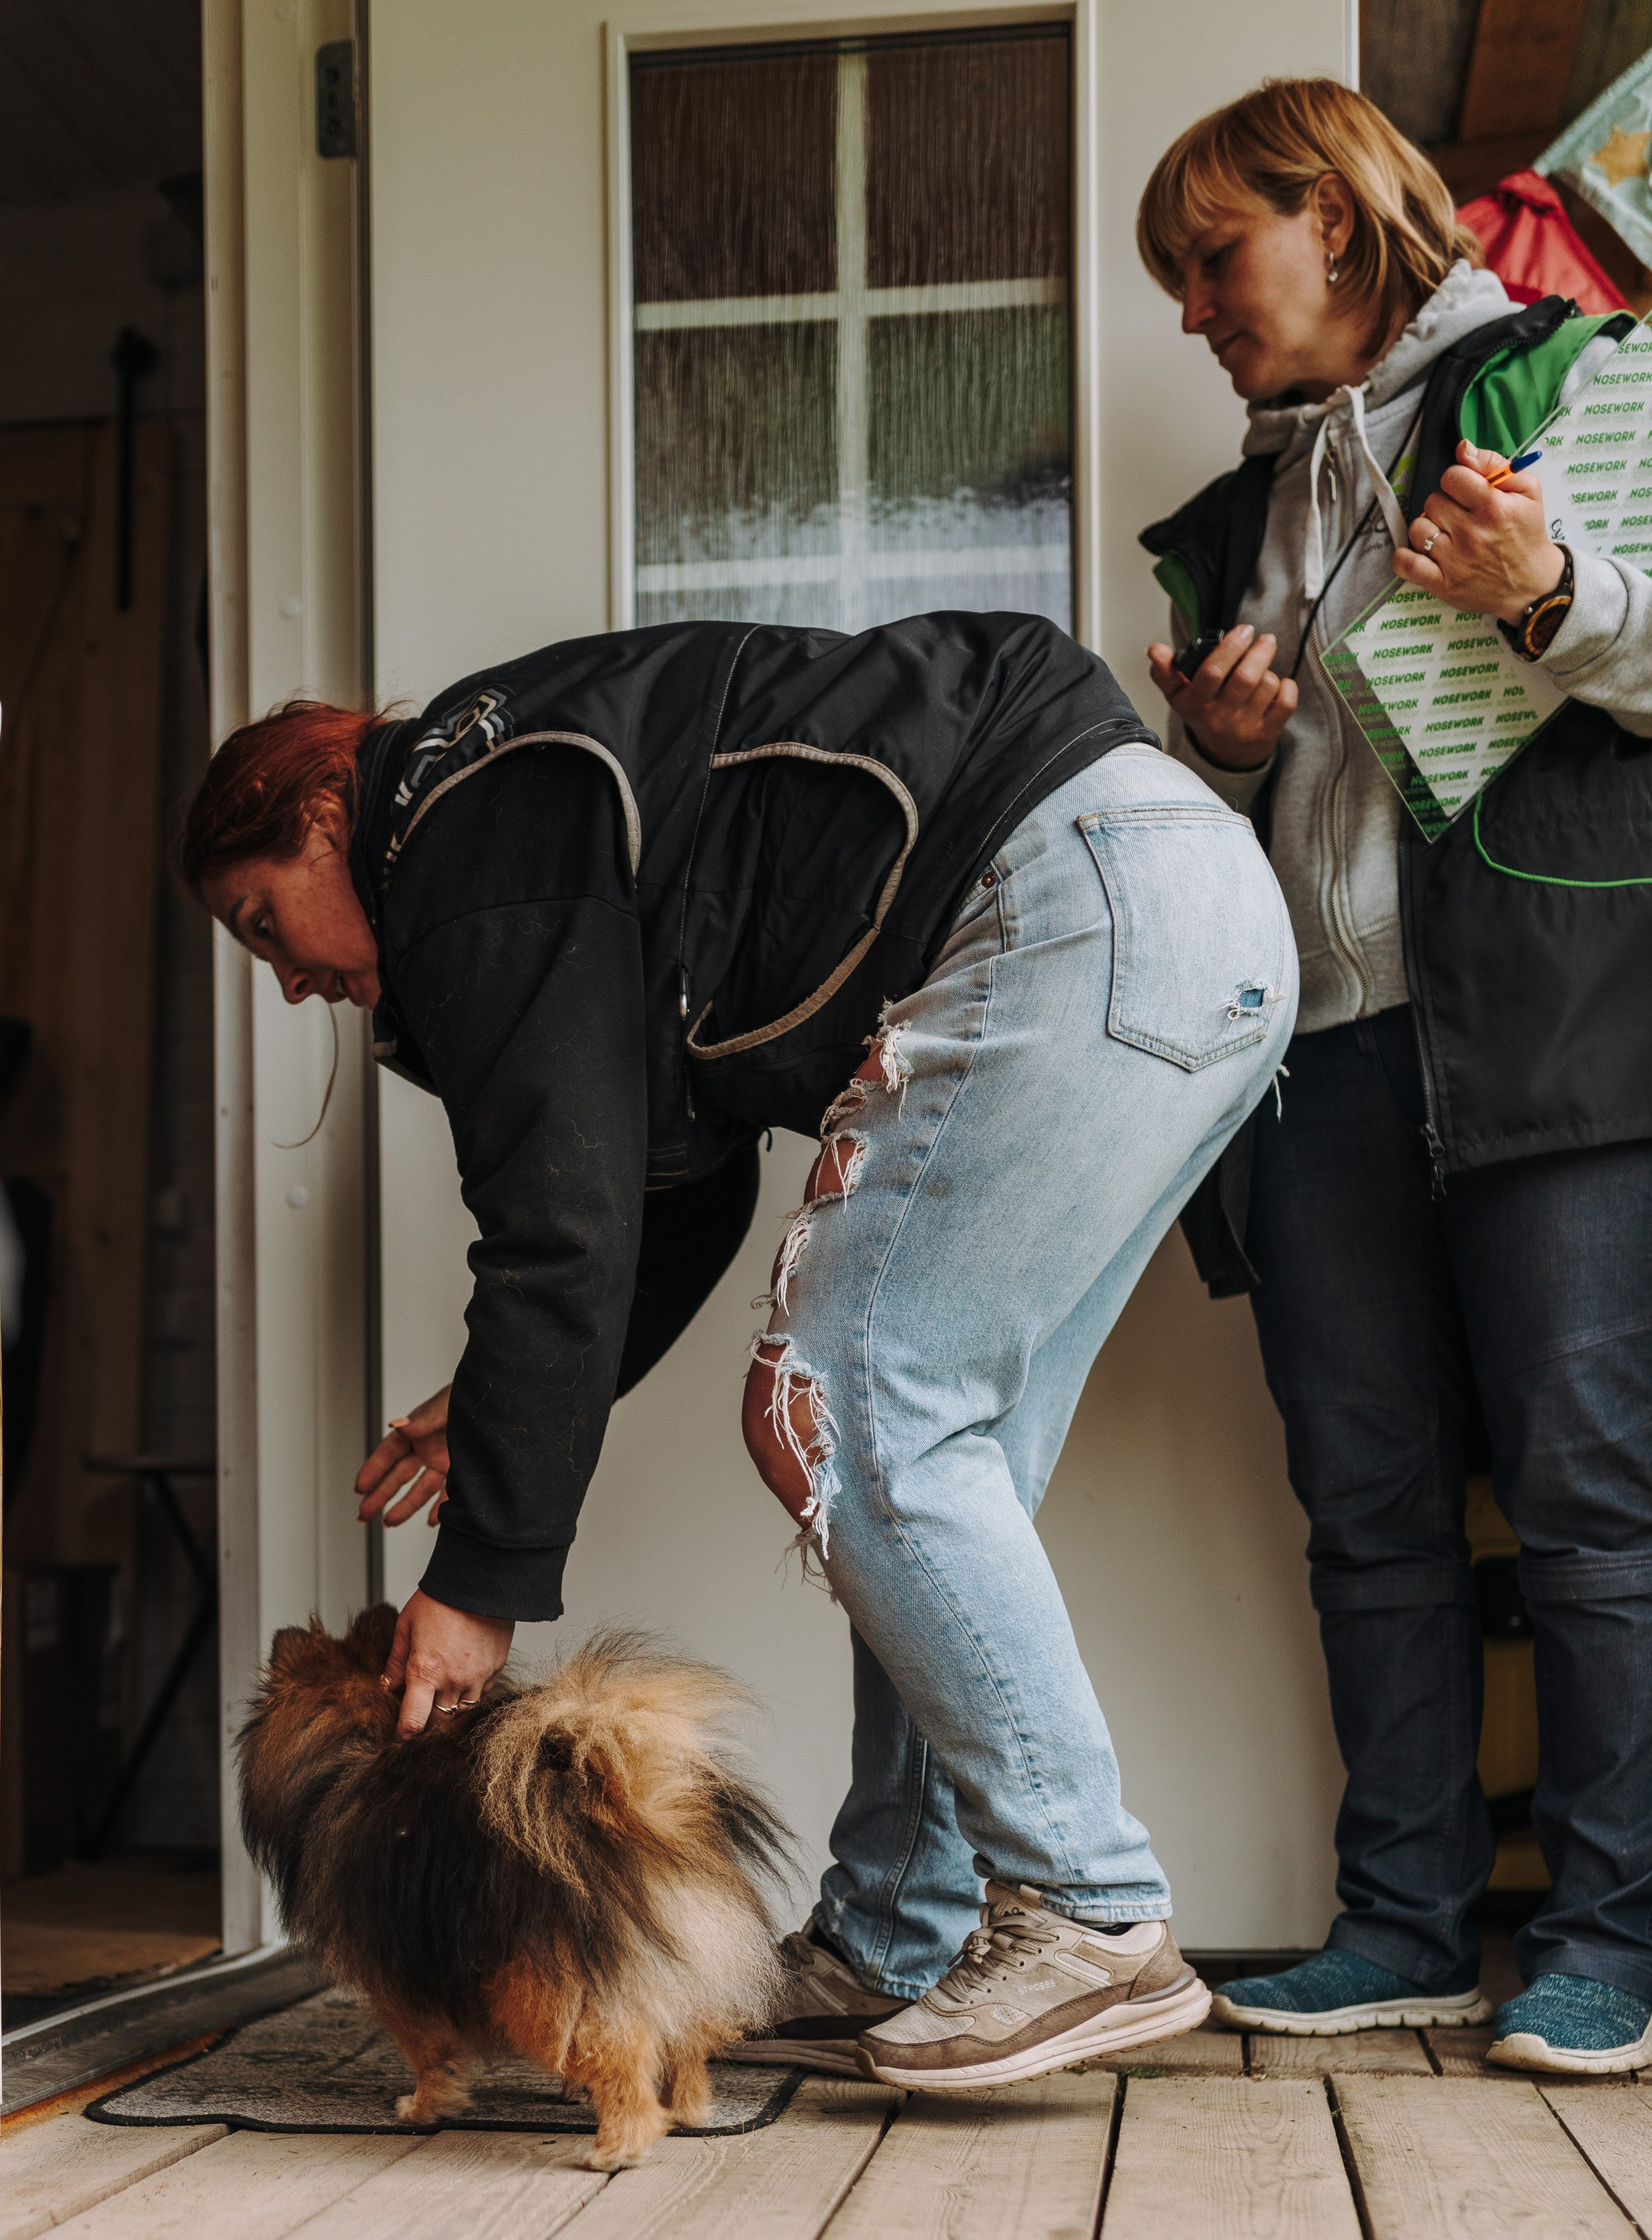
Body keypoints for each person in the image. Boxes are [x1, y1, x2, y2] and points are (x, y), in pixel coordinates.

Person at [183, 613, 1295, 2090]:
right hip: (1186, 914)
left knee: (844, 1411)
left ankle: (1085, 1904)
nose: (290, 982)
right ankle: (900, 1928)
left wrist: (475, 1583)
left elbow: (558, 1226)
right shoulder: (511, 807)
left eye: (267, 925)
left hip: (1073, 896)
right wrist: (492, 1410)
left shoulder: (456, 816)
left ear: (324, 812)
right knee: (927, 1469)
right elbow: (663, 1196)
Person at [1137, 78, 1652, 2074]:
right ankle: (1407, 1922)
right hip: (1317, 1054)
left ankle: (1611, 1938)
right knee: (1364, 1507)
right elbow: (1300, 801)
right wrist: (1224, 745)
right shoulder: (1245, 510)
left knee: (1596, 1501)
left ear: (1335, 222)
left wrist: (1547, 587)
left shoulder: (1580, 385)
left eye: (1212, 256)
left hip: (1553, 1028)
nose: (1189, 307)